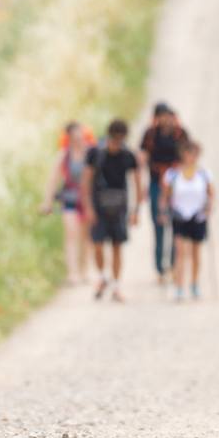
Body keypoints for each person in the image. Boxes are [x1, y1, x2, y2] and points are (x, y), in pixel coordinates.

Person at [81, 118, 144, 302]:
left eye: (120, 140)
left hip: (119, 207)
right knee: (98, 245)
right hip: (99, 205)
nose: (117, 144)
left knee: (117, 246)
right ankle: (102, 277)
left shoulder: (128, 156)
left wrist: (136, 210)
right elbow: (86, 181)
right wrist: (88, 208)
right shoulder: (95, 154)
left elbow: (137, 183)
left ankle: (116, 284)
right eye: (115, 140)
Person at [139, 103, 191, 287]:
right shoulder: (150, 135)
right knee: (159, 226)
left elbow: (188, 157)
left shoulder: (180, 134)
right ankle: (160, 268)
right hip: (156, 182)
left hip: (176, 184)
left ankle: (174, 266)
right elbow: (143, 158)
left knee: (176, 226)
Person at [40, 121, 94, 285]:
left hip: (87, 200)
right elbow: (53, 179)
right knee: (71, 236)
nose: (78, 139)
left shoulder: (91, 154)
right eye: (75, 136)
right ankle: (72, 273)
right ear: (69, 138)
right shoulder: (64, 155)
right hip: (69, 199)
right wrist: (47, 201)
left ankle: (84, 270)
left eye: (80, 136)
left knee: (86, 238)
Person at [162, 141, 213, 301]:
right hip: (180, 215)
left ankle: (194, 283)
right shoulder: (173, 174)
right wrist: (164, 211)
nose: (191, 157)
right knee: (180, 252)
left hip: (197, 216)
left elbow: (211, 194)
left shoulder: (204, 174)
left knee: (196, 253)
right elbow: (166, 195)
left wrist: (208, 208)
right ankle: (179, 286)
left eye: (194, 154)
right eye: (188, 153)